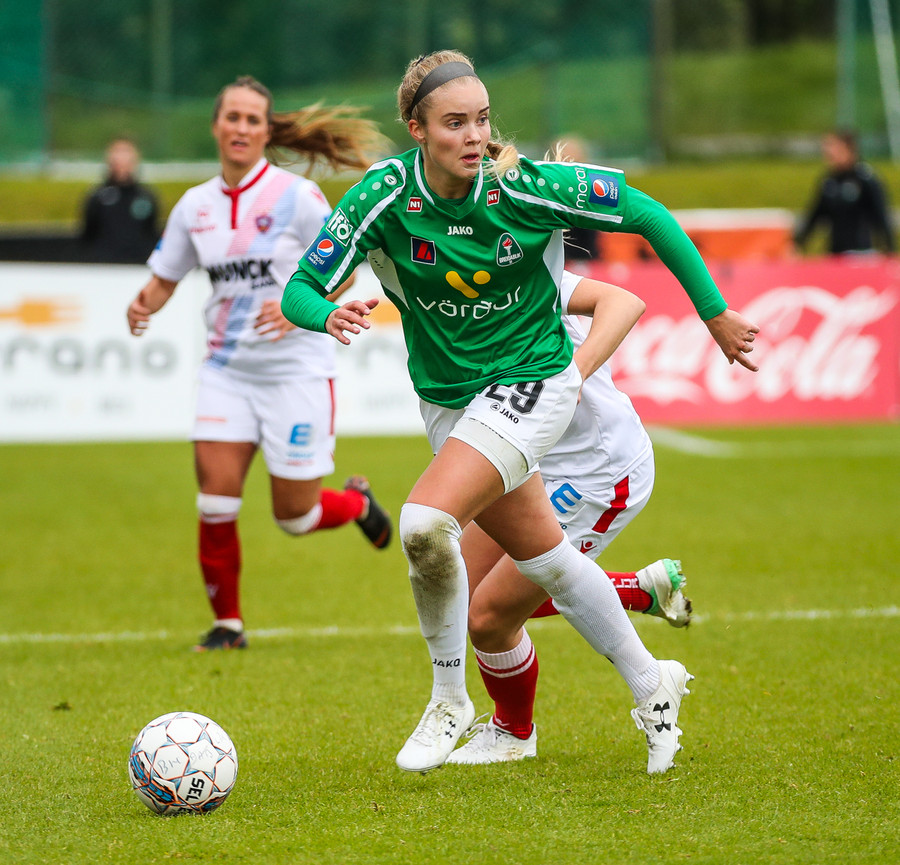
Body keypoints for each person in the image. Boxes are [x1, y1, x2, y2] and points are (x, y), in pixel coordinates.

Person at [281, 50, 759, 775]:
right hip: (451, 402)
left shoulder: (526, 186)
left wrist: (715, 313)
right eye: (455, 123)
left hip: (536, 383)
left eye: (481, 119)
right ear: (417, 129)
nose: (475, 136)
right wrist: (327, 314)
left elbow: (647, 214)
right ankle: (650, 680)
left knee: (423, 524)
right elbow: (300, 289)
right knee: (541, 565)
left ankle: (449, 701)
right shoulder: (383, 197)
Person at [126, 76, 392, 652]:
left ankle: (356, 503)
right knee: (215, 501)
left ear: (267, 132)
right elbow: (165, 278)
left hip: (296, 372)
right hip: (226, 372)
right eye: (233, 117)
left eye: (253, 119)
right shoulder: (194, 206)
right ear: (216, 126)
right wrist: (142, 304)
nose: (242, 128)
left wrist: (299, 309)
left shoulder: (298, 197)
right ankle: (228, 625)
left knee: (294, 517)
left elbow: (344, 270)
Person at [447, 271, 690, 765]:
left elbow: (623, 300)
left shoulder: (520, 266)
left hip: (595, 473)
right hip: (525, 459)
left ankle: (517, 731)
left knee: (489, 618)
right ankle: (634, 591)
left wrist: (573, 375)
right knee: (457, 594)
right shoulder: (446, 281)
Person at [794, 129, 896, 255]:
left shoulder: (865, 179)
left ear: (848, 149)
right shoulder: (829, 181)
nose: (828, 152)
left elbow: (881, 216)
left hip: (861, 253)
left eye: (833, 147)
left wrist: (889, 248)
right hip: (836, 252)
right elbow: (815, 215)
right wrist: (798, 242)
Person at [80, 137, 160, 263]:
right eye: (117, 153)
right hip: (103, 266)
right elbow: (88, 234)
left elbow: (151, 232)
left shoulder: (146, 197)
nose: (122, 159)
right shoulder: (97, 197)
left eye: (126, 153)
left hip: (137, 265)